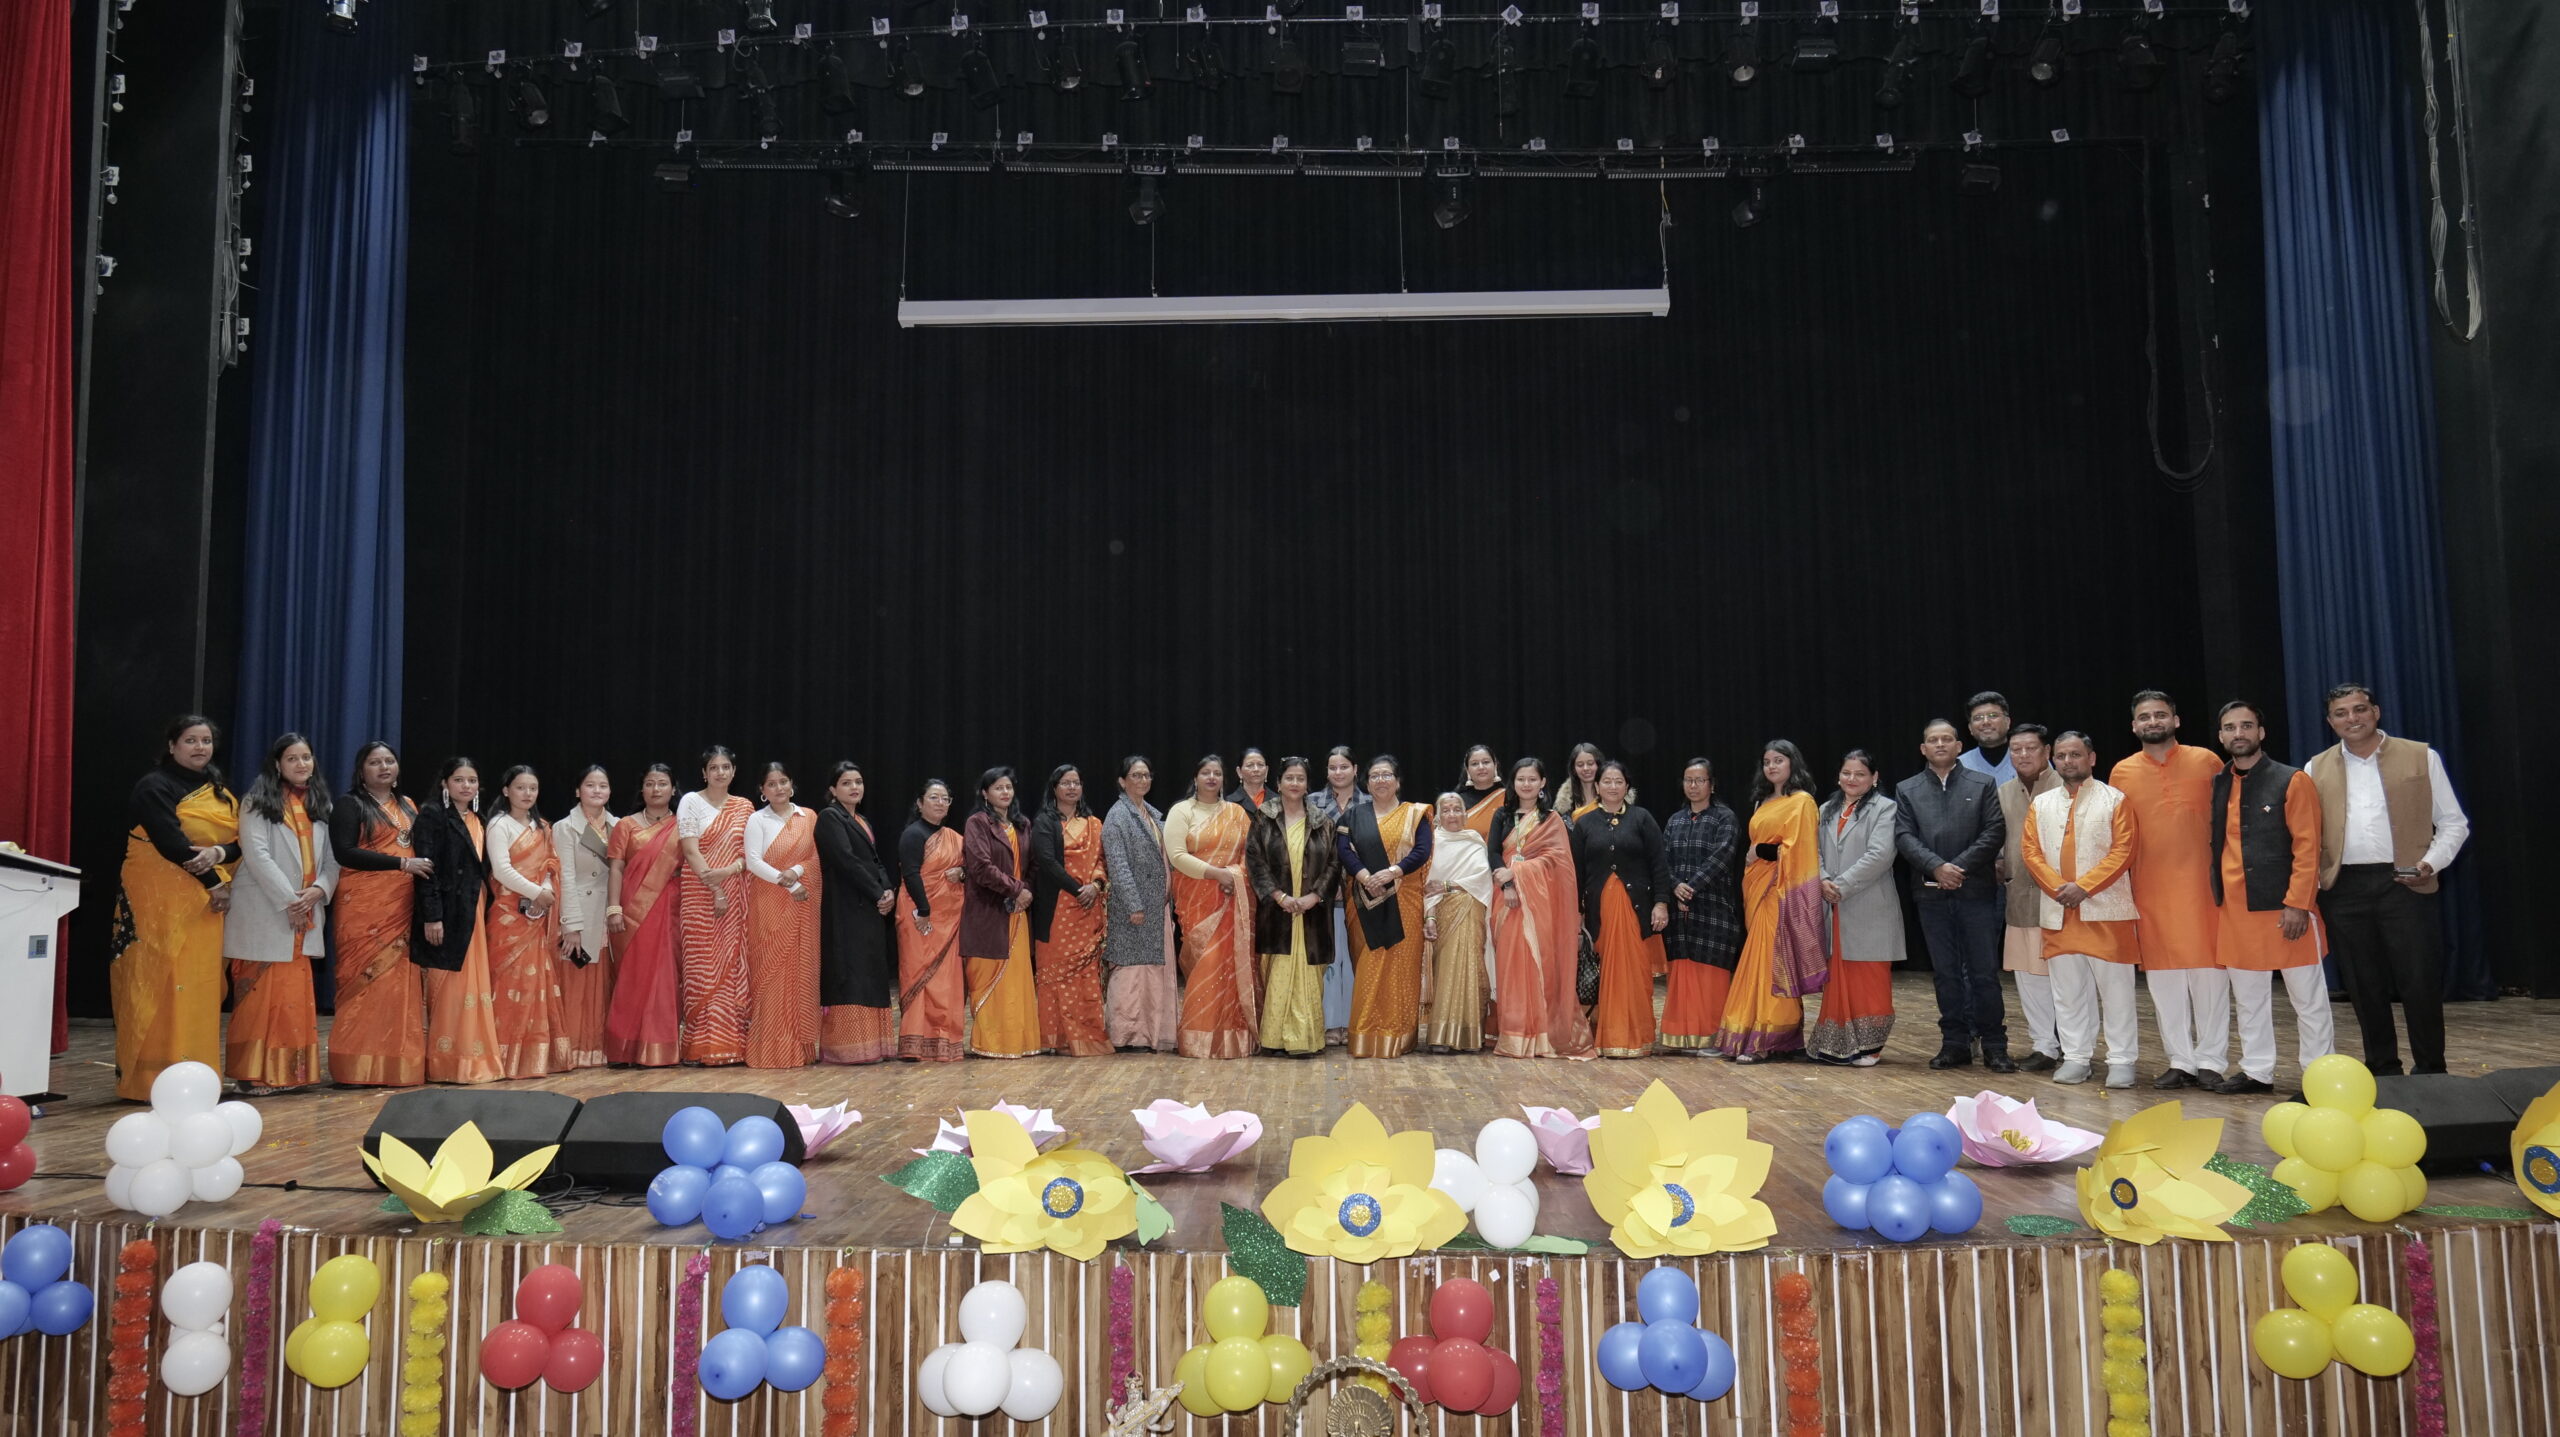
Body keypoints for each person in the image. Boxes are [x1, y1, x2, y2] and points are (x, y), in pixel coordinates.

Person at [2308, 682, 2470, 1077]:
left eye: (2359, 709)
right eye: (2342, 713)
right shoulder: (2315, 767)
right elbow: (2307, 833)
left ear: (2376, 712)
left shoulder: (2420, 756)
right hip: (2343, 888)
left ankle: (2431, 1072)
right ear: (2331, 722)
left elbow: (2453, 823)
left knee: (2420, 982)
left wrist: (2430, 863)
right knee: (2364, 987)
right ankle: (2383, 1070)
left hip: (2406, 883)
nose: (2352, 718)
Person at [112, 716, 240, 1101]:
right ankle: (149, 1080)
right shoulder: (154, 786)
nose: (200, 747)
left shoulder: (218, 790)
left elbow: (241, 841)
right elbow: (170, 841)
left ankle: (196, 1077)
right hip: (157, 898)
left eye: (206, 740)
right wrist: (214, 882)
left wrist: (219, 853)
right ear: (172, 746)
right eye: (190, 740)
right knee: (156, 981)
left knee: (198, 985)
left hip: (204, 905)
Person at [2110, 690, 2231, 1091]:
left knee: (2209, 980)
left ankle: (2212, 1060)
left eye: (2160, 715)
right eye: (2144, 717)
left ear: (2176, 720)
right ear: (2134, 726)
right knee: (2165, 983)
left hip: (2204, 889)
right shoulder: (2122, 773)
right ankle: (2180, 1060)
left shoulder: (2207, 761)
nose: (2152, 722)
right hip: (2151, 891)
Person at [2210, 701, 2333, 1095]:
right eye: (2230, 727)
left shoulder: (2291, 780)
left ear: (2261, 732)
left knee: (2308, 1001)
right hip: (2236, 911)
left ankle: (2318, 1079)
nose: (2239, 733)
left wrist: (2298, 903)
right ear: (2221, 736)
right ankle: (2257, 1071)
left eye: (2247, 725)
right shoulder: (2218, 783)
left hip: (2286, 911)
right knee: (2248, 1000)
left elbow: (2309, 847)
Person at [2022, 732, 2142, 1088]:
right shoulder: (2041, 804)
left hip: (2107, 912)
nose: (2068, 761)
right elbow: (2030, 852)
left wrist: (2084, 887)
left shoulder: (2115, 800)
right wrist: (2061, 888)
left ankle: (2122, 1060)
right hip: (2060, 912)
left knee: (2116, 993)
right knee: (2068, 992)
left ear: (2091, 758)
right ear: (2053, 760)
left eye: (2076, 754)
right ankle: (2076, 1056)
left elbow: (2124, 851)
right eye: (2061, 755)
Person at [1893, 719, 2011, 1071]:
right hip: (1930, 894)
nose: (1940, 744)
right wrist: (1936, 868)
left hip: (1976, 891)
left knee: (1984, 972)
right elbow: (1904, 836)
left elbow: (1994, 831)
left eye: (1947, 739)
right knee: (1944, 973)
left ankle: (1994, 1045)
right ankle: (1955, 1043)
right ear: (1923, 749)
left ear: (1959, 746)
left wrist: (1956, 868)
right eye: (1933, 740)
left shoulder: (1983, 783)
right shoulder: (1908, 788)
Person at [224, 733, 335, 1094]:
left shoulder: (321, 804)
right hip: (267, 909)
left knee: (293, 996)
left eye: (306, 757)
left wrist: (320, 889)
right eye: (292, 758)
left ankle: (290, 1073)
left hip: (306, 907)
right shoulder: (257, 802)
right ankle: (253, 1073)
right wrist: (291, 902)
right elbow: (256, 855)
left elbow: (333, 860)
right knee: (257, 995)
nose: (301, 764)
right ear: (277, 764)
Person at [1714, 742, 1825, 1062]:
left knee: (1771, 961)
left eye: (1779, 760)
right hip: (1757, 888)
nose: (1772, 767)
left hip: (1781, 892)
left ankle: (1769, 1036)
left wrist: (1759, 852)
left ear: (1793, 764)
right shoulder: (1762, 800)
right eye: (1766, 762)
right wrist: (1756, 856)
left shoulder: (1801, 802)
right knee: (1756, 959)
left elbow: (1801, 850)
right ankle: (1751, 1031)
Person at [327, 741, 430, 1087]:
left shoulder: (409, 806)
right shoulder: (349, 804)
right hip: (363, 906)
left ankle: (396, 1063)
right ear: (361, 770)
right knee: (364, 980)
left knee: (398, 983)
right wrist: (402, 863)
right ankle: (355, 1066)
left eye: (389, 761)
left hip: (402, 904)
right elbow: (345, 853)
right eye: (375, 762)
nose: (384, 767)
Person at [1488, 757, 1595, 1060]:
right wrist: (1507, 885)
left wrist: (1518, 873)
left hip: (1540, 904)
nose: (1526, 785)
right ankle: (1514, 1035)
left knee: (1540, 964)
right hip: (1506, 900)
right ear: (1513, 783)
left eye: (1532, 779)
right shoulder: (1502, 816)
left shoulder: (1552, 820)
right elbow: (1494, 853)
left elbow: (1558, 862)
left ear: (1543, 783)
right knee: (1511, 967)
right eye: (1521, 779)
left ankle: (1543, 1035)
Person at [1338, 753, 1436, 1058]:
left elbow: (1422, 850)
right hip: (1365, 900)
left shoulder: (1415, 814)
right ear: (1366, 783)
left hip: (1405, 899)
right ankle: (1366, 1035)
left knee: (1401, 968)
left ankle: (1399, 1036)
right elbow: (1343, 849)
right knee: (1369, 965)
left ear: (1397, 781)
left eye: (1386, 775)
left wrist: (1394, 871)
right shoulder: (1353, 816)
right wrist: (1365, 875)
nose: (1380, 781)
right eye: (1374, 776)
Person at [1810, 750, 1902, 1065]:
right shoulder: (1825, 809)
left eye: (1860, 774)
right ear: (1839, 776)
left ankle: (1870, 1046)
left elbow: (1880, 854)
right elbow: (1814, 852)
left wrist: (1842, 886)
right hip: (1832, 906)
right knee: (1838, 975)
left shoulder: (1886, 809)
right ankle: (1837, 1043)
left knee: (1869, 977)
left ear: (1874, 778)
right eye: (1847, 773)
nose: (1852, 779)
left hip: (1869, 905)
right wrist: (1822, 880)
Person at [1573, 761, 1671, 1058]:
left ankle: (1637, 1039)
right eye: (1607, 781)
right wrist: (1576, 913)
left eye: (1618, 781)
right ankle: (1609, 1037)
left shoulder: (1642, 819)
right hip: (1599, 910)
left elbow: (1659, 864)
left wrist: (1661, 903)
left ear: (1627, 786)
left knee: (1635, 974)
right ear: (1598, 786)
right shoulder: (1585, 823)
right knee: (1607, 974)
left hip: (1635, 908)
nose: (1613, 786)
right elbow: (1576, 872)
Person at [415, 757, 501, 1084]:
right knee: (449, 982)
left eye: (472, 780)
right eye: (459, 780)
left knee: (474, 980)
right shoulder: (433, 815)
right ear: (445, 784)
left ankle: (475, 1057)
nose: (466, 786)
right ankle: (447, 1062)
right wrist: (432, 916)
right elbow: (426, 870)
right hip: (448, 912)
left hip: (474, 907)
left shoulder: (479, 818)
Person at [1246, 757, 1340, 1057]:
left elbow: (1333, 865)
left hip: (1313, 913)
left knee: (1309, 975)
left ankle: (1306, 1040)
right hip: (1278, 911)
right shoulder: (1264, 817)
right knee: (1278, 972)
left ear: (1307, 784)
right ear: (1278, 783)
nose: (1295, 783)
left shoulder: (1323, 822)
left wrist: (1314, 897)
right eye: (1289, 778)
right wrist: (1279, 896)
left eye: (1300, 778)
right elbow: (1255, 861)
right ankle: (1274, 1039)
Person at [1167, 755, 1258, 1058]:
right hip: (1197, 898)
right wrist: (1217, 874)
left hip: (1233, 899)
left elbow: (1250, 853)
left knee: (1231, 964)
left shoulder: (1236, 812)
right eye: (1205, 772)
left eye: (1217, 773)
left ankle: (1234, 1038)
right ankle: (1199, 1039)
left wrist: (1236, 876)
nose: (1211, 778)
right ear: (1195, 778)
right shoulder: (1182, 811)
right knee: (1205, 962)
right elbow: (1177, 855)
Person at [484, 766, 572, 1079]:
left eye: (532, 788)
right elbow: (501, 870)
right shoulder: (498, 825)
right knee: (509, 984)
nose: (527, 793)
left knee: (538, 984)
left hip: (538, 915)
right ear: (506, 790)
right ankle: (505, 1059)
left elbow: (551, 865)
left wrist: (544, 894)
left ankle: (537, 1060)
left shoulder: (543, 827)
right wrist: (536, 893)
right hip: (509, 916)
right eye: (520, 787)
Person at [813, 761, 899, 1065]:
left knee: (870, 971)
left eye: (858, 782)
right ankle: (847, 1047)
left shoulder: (862, 820)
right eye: (847, 782)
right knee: (848, 972)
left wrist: (889, 891)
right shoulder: (829, 818)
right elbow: (846, 862)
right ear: (833, 790)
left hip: (870, 909)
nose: (854, 787)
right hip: (845, 908)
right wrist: (878, 893)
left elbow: (876, 862)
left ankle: (874, 1047)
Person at [675, 746, 754, 1066]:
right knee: (701, 968)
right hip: (698, 892)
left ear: (734, 772)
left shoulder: (744, 807)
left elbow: (751, 853)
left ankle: (733, 1045)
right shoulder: (690, 802)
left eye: (726, 767)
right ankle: (700, 1047)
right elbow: (690, 851)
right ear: (703, 773)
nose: (720, 772)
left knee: (734, 967)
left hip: (736, 893)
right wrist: (715, 888)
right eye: (713, 767)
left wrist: (728, 874)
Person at [603, 764, 684, 1066]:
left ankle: (661, 1047)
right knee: (632, 976)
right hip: (632, 908)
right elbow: (616, 868)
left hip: (670, 906)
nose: (656, 789)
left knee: (664, 975)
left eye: (662, 783)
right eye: (649, 783)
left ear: (673, 789)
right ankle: (624, 1049)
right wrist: (614, 908)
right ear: (642, 789)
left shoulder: (682, 824)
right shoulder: (626, 825)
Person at [1659, 758, 1742, 1054]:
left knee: (1711, 975)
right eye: (1688, 780)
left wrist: (1689, 888)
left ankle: (1713, 1038)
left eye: (1699, 780)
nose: (1693, 786)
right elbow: (1662, 860)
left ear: (1712, 784)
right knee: (1682, 971)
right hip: (1679, 913)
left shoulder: (1725, 818)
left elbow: (1721, 858)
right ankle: (1679, 1037)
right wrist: (1674, 887)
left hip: (1714, 910)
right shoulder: (1674, 820)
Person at [1030, 764, 1113, 1057]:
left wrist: (1096, 884)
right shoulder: (1043, 822)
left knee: (1086, 975)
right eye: (1065, 783)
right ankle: (1055, 1038)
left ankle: (1086, 1034)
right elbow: (1048, 863)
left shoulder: (1094, 823)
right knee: (1055, 974)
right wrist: (1079, 889)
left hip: (1087, 909)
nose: (1072, 788)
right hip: (1057, 909)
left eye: (1076, 782)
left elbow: (1102, 859)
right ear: (1054, 788)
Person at [742, 762, 821, 1069]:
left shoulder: (808, 817)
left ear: (792, 785)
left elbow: (814, 856)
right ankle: (770, 1049)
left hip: (803, 904)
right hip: (770, 901)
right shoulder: (756, 820)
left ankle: (798, 1049)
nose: (778, 788)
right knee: (771, 975)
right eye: (771, 784)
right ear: (762, 791)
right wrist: (788, 883)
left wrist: (797, 871)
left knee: (801, 971)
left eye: (783, 782)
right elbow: (753, 862)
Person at [960, 767, 1042, 1059]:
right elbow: (981, 867)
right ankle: (992, 1044)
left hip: (1018, 913)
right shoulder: (977, 823)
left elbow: (1034, 864)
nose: (1005, 792)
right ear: (985, 793)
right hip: (988, 912)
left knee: (1018, 980)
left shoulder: (1022, 824)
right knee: (989, 976)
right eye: (998, 788)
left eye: (1008, 787)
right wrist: (1016, 889)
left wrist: (1026, 891)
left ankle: (1020, 1042)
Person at [1995, 725, 2063, 1071]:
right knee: (2029, 977)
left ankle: (2073, 1045)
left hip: (2063, 901)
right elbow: (1996, 838)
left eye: (2030, 749)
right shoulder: (2004, 792)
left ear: (2046, 751)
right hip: (2020, 897)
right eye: (2016, 749)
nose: (2022, 755)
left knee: (2067, 978)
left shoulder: (2066, 786)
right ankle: (2044, 1046)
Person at [1100, 756, 1177, 1053]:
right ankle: (1127, 1034)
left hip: (1156, 907)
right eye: (1136, 775)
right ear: (1122, 781)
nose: (1142, 780)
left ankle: (1151, 1032)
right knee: (1131, 971)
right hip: (1132, 908)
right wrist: (1134, 905)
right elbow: (1118, 866)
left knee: (1153, 971)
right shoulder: (1117, 816)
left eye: (1146, 775)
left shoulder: (1153, 815)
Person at [896, 779, 968, 1061]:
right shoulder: (913, 835)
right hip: (919, 916)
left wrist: (962, 873)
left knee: (946, 980)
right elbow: (911, 875)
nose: (940, 803)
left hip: (949, 919)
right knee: (920, 975)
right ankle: (916, 1042)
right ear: (920, 802)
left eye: (946, 798)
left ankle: (943, 1041)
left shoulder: (953, 836)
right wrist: (924, 911)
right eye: (934, 797)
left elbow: (969, 867)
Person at [551, 765, 617, 1071]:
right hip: (579, 913)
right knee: (577, 984)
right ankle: (573, 1052)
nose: (597, 791)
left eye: (602, 786)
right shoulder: (565, 827)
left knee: (603, 984)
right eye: (590, 785)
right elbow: (564, 877)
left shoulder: (618, 826)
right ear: (578, 791)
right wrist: (571, 926)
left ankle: (599, 1050)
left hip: (608, 914)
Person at [1420, 792, 1493, 1053]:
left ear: (1465, 814)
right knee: (1446, 970)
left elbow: (1483, 879)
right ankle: (1440, 1035)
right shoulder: (1432, 843)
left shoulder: (1474, 841)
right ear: (1438, 816)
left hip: (1471, 910)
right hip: (1442, 913)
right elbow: (1427, 885)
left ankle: (1469, 1035)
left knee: (1471, 967)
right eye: (1447, 810)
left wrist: (1450, 885)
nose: (1453, 815)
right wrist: (1428, 916)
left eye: (1457, 809)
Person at [1309, 745, 1364, 1044]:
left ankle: (1353, 1022)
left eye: (1344, 767)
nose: (1338, 773)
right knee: (1329, 961)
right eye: (1333, 768)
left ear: (1355, 769)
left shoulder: (1370, 802)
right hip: (1323, 895)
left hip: (1363, 895)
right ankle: (1331, 1023)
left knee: (1355, 961)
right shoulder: (1311, 802)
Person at [1958, 691, 2018, 785]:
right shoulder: (1959, 766)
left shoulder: (2030, 758)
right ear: (1970, 728)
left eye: (1993, 716)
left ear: (2007, 722)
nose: (1986, 722)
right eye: (1978, 718)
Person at [1456, 744, 1507, 838]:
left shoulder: (1509, 797)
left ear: (1495, 765)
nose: (1481, 767)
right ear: (1467, 769)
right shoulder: (1458, 802)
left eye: (1486, 762)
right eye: (1474, 764)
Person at [1559, 742, 1609, 819]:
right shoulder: (1565, 805)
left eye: (1590, 763)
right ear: (1574, 769)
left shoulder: (1613, 797)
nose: (1585, 768)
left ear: (1599, 765)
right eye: (1580, 765)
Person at [1228, 748, 1276, 816]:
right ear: (1239, 772)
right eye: (1250, 765)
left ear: (1267, 771)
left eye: (1260, 765)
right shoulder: (1229, 803)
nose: (1256, 769)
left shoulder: (1279, 802)